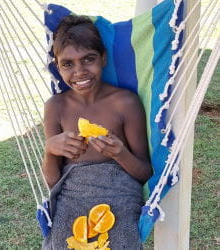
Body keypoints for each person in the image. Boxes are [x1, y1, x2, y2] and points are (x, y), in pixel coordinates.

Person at [42, 15, 152, 250]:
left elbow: (144, 173)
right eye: (67, 64)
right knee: (62, 243)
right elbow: (53, 182)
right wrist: (50, 150)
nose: (79, 72)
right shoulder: (56, 107)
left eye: (88, 59)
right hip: (71, 195)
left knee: (119, 242)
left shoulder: (125, 103)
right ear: (58, 66)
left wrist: (120, 154)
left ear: (103, 58)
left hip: (120, 193)